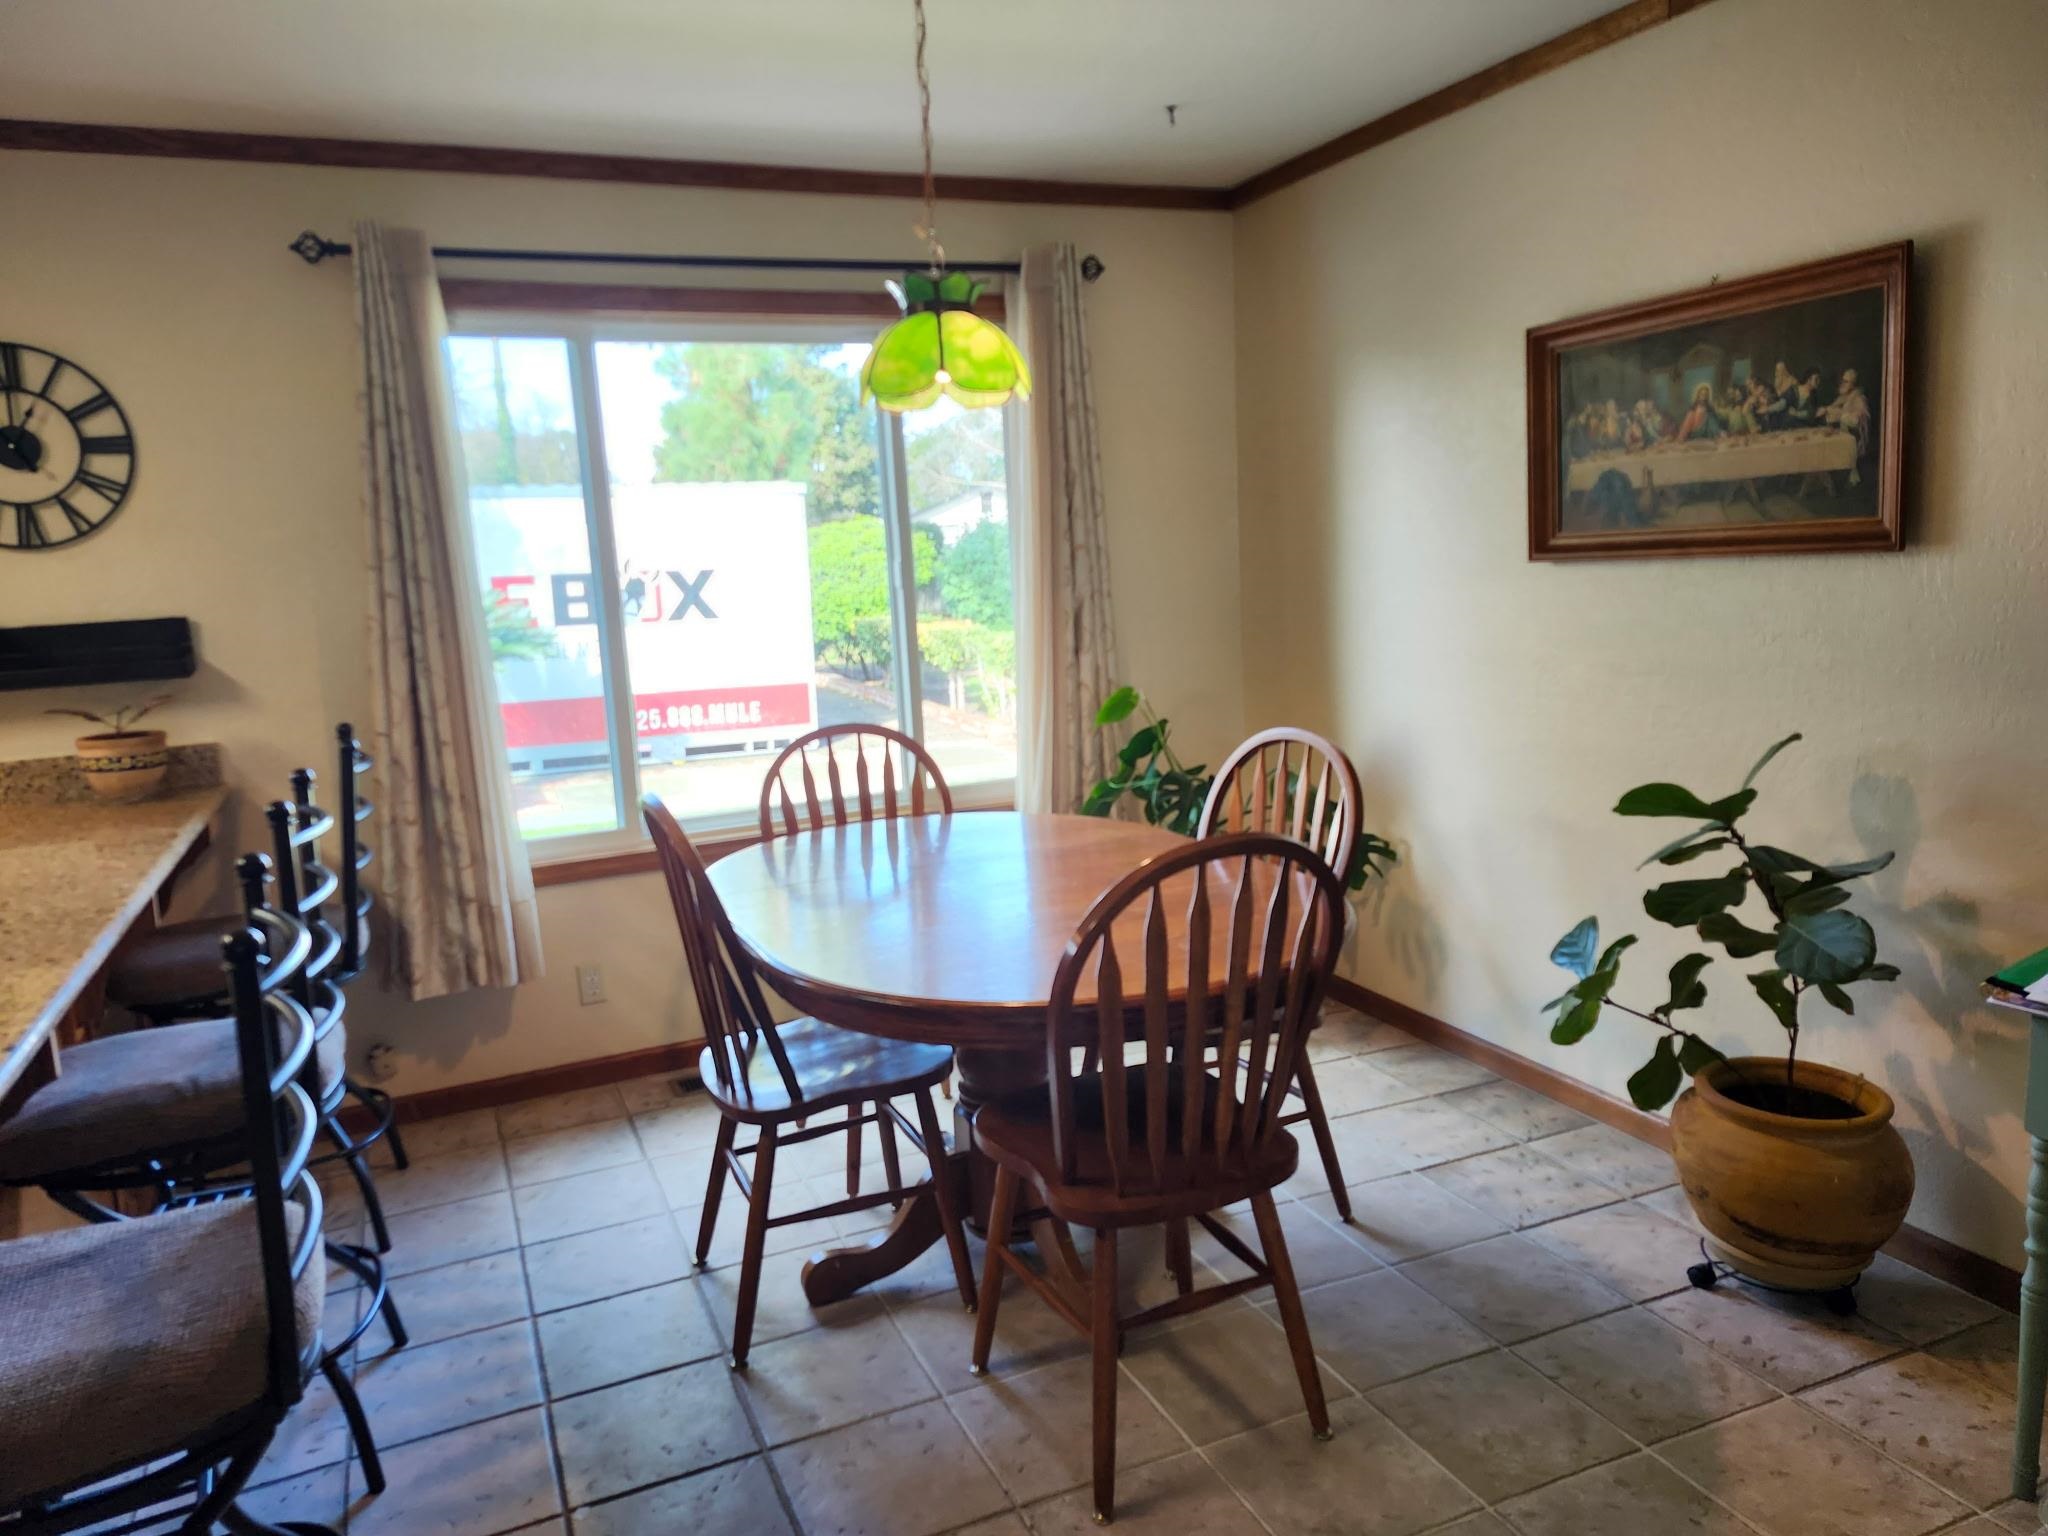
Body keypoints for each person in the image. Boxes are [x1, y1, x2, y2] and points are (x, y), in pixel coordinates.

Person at [1821, 368, 1873, 482]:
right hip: (1843, 432)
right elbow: (1833, 410)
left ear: (1854, 385)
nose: (1842, 384)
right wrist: (1828, 410)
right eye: (1842, 381)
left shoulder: (1859, 398)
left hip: (1855, 435)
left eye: (1846, 382)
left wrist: (1841, 415)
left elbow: (1860, 419)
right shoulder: (1844, 397)